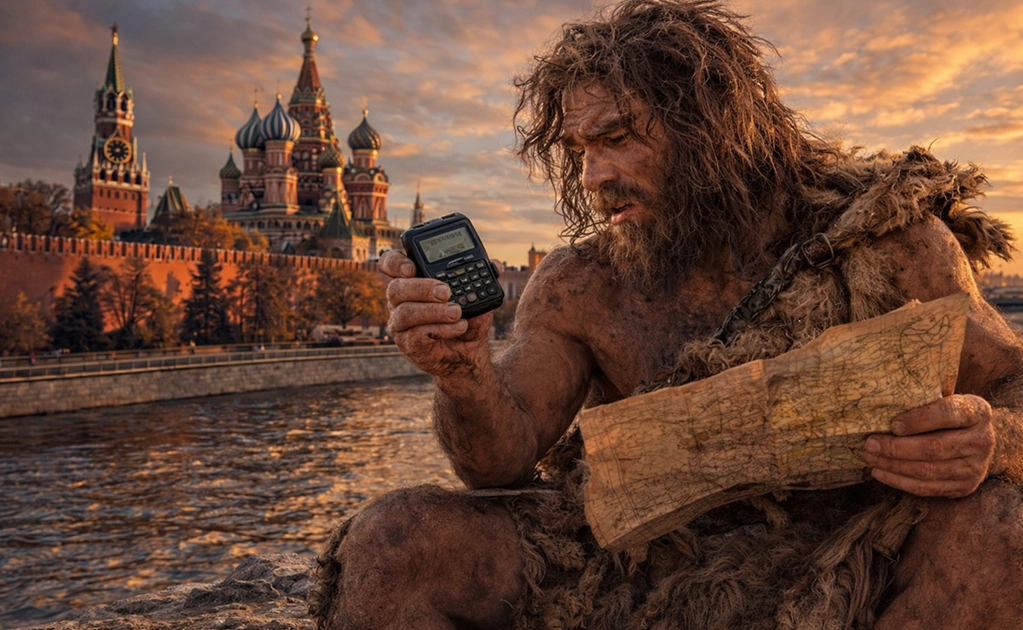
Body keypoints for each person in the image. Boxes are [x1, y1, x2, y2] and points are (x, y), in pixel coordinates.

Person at [310, 1, 1023, 628]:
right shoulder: (580, 285)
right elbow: (498, 460)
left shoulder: (884, 242)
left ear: (714, 127)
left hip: (852, 553)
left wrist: (992, 435)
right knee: (391, 542)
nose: (592, 178)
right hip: (645, 564)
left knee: (1003, 524)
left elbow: (1011, 385)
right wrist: (462, 372)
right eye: (579, 151)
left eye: (616, 138)